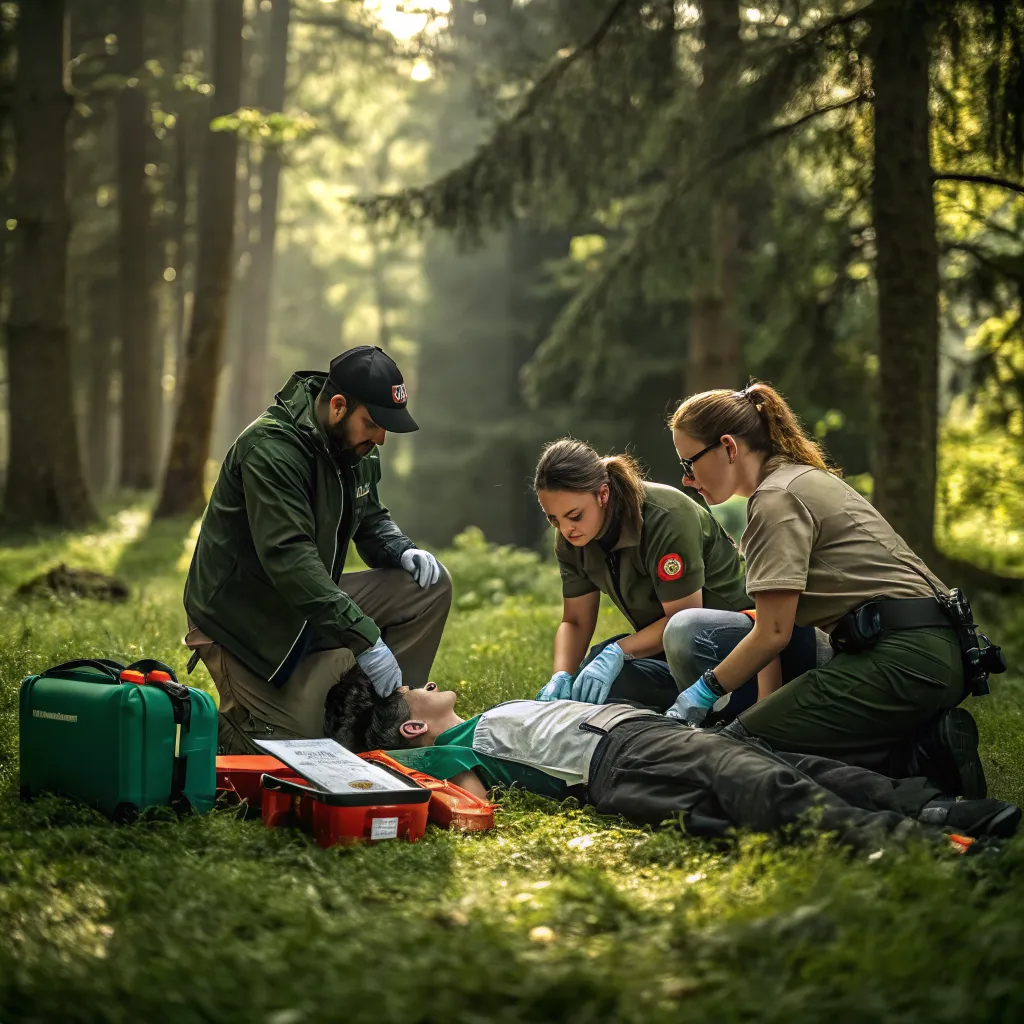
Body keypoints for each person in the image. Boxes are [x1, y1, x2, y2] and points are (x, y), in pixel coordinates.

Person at [666, 382, 994, 797]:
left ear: (728, 447)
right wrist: (769, 712)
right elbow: (778, 631)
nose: (686, 478)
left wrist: (704, 691)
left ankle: (916, 774)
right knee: (762, 735)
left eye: (689, 462)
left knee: (739, 755)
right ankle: (925, 745)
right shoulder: (801, 479)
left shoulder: (775, 499)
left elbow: (772, 633)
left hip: (901, 658)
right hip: (936, 654)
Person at [331, 673, 1021, 851]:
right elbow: (464, 802)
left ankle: (947, 811)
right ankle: (930, 846)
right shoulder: (452, 752)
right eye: (411, 687)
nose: (422, 677)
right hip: (620, 755)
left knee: (796, 763)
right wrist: (390, 759)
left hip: (640, 728)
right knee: (761, 785)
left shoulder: (480, 722)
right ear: (415, 722)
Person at [183, 345, 452, 755]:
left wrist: (399, 549)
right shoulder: (271, 449)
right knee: (297, 755)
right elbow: (290, 560)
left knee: (428, 587)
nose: (380, 438)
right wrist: (366, 640)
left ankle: (386, 721)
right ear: (339, 406)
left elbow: (370, 516)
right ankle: (237, 727)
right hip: (246, 621)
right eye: (374, 423)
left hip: (309, 602)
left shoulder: (353, 446)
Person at [532, 438, 819, 717]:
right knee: (591, 678)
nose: (567, 529)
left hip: (746, 642)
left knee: (681, 631)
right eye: (553, 519)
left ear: (603, 494)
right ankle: (682, 713)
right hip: (672, 650)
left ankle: (729, 710)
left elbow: (682, 617)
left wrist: (620, 650)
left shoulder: (664, 515)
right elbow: (576, 621)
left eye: (575, 516)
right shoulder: (572, 538)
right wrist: (562, 674)